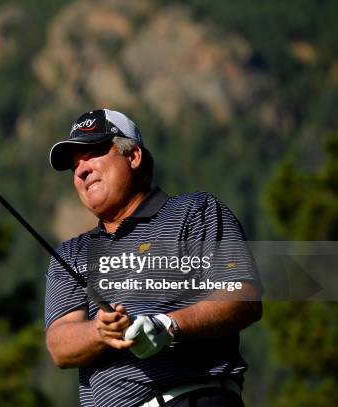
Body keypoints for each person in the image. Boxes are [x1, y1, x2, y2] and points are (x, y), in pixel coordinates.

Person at [44, 109, 262, 407]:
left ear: (133, 156)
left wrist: (167, 325)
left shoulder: (194, 211)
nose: (81, 171)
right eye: (74, 166)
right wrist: (101, 330)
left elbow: (244, 298)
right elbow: (60, 346)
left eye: (93, 153)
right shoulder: (70, 253)